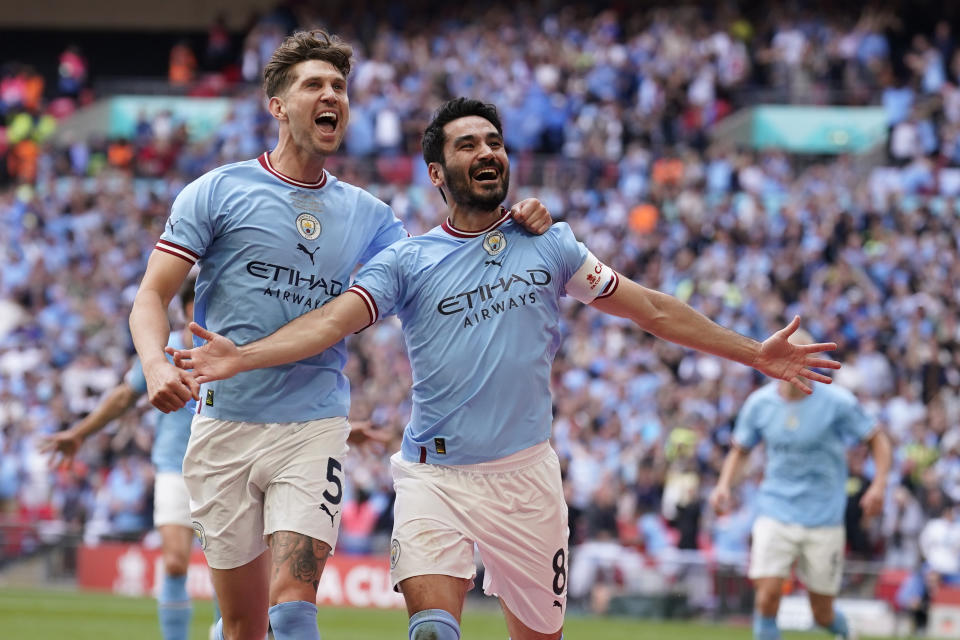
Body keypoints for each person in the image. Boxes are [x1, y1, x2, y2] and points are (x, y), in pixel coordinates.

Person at [168, 97, 841, 640]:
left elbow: (653, 311)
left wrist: (753, 351)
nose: (487, 152)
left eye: (494, 142)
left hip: (526, 480)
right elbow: (333, 321)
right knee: (433, 632)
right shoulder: (407, 261)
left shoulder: (549, 242)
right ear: (437, 173)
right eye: (468, 144)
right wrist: (243, 356)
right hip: (434, 477)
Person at [128, 32, 551, 640]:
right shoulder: (217, 191)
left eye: (340, 87)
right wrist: (155, 364)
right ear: (277, 105)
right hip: (222, 427)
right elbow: (150, 295)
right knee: (244, 626)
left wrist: (512, 224)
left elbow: (434, 272)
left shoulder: (371, 215)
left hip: (312, 425)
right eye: (314, 85)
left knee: (294, 606)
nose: (332, 96)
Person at [42, 278, 200, 640]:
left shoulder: (230, 351)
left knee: (231, 566)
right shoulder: (164, 350)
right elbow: (124, 396)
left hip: (226, 469)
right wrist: (80, 433)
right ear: (190, 307)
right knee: (175, 562)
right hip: (174, 467)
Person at [709, 330, 892, 640]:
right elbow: (740, 450)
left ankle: (844, 632)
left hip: (823, 516)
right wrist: (724, 484)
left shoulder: (837, 401)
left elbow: (877, 438)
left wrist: (879, 485)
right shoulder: (759, 404)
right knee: (767, 596)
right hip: (774, 509)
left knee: (822, 612)